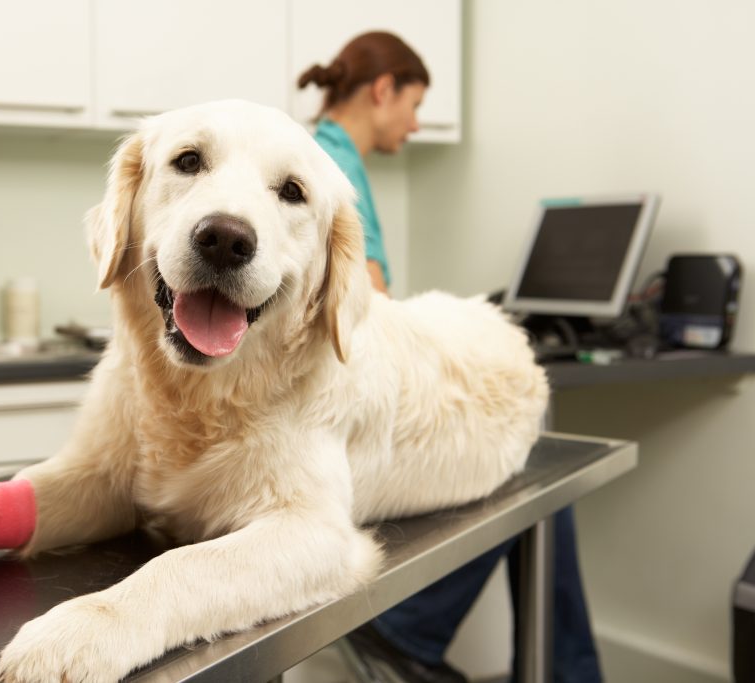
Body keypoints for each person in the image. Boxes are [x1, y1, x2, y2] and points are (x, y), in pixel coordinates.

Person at [298, 32, 603, 683]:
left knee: (525, 444)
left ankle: (438, 635)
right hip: (333, 429)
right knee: (527, 441)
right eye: (413, 103)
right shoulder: (333, 169)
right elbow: (366, 316)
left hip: (324, 415)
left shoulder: (319, 155)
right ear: (383, 90)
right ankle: (412, 628)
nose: (414, 123)